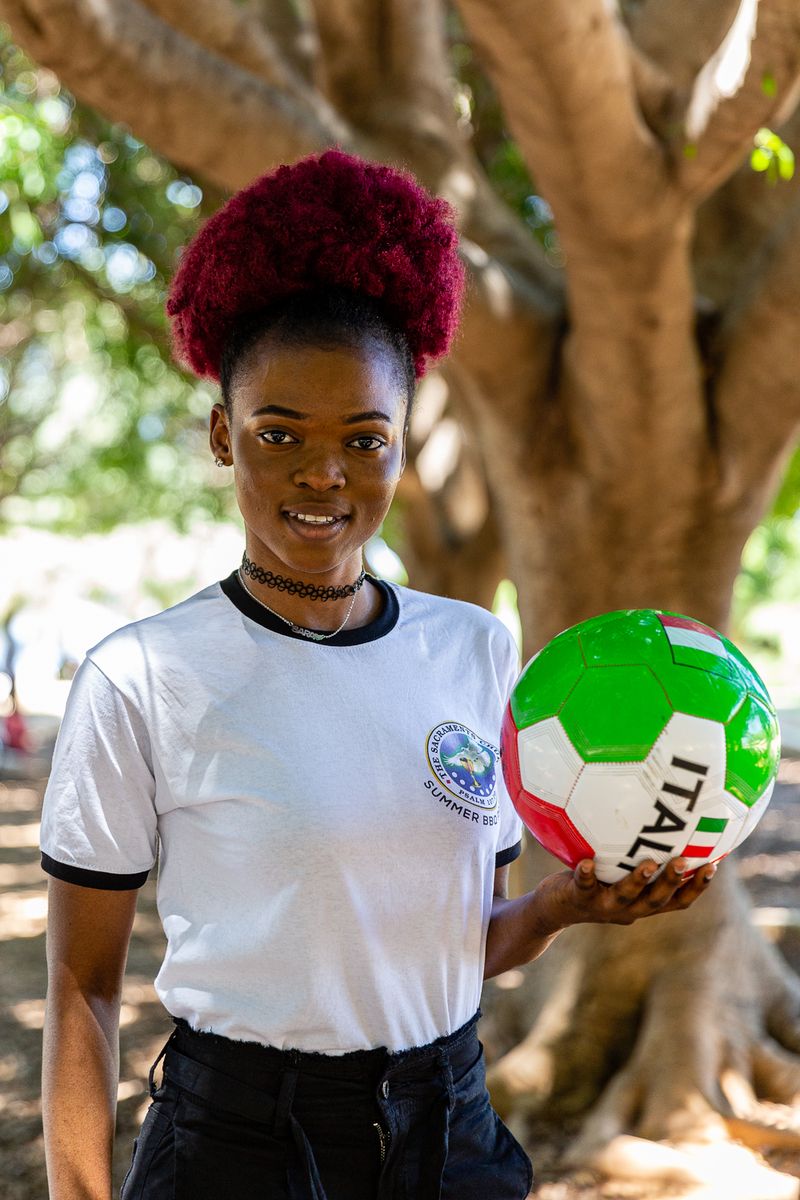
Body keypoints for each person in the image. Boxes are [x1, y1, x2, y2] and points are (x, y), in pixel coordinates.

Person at [39, 150, 716, 1200]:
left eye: (364, 438)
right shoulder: (142, 676)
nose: (323, 474)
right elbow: (81, 989)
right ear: (225, 436)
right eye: (279, 434)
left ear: (403, 446)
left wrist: (562, 910)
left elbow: (453, 942)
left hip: (451, 1131)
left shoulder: (473, 651)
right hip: (239, 1147)